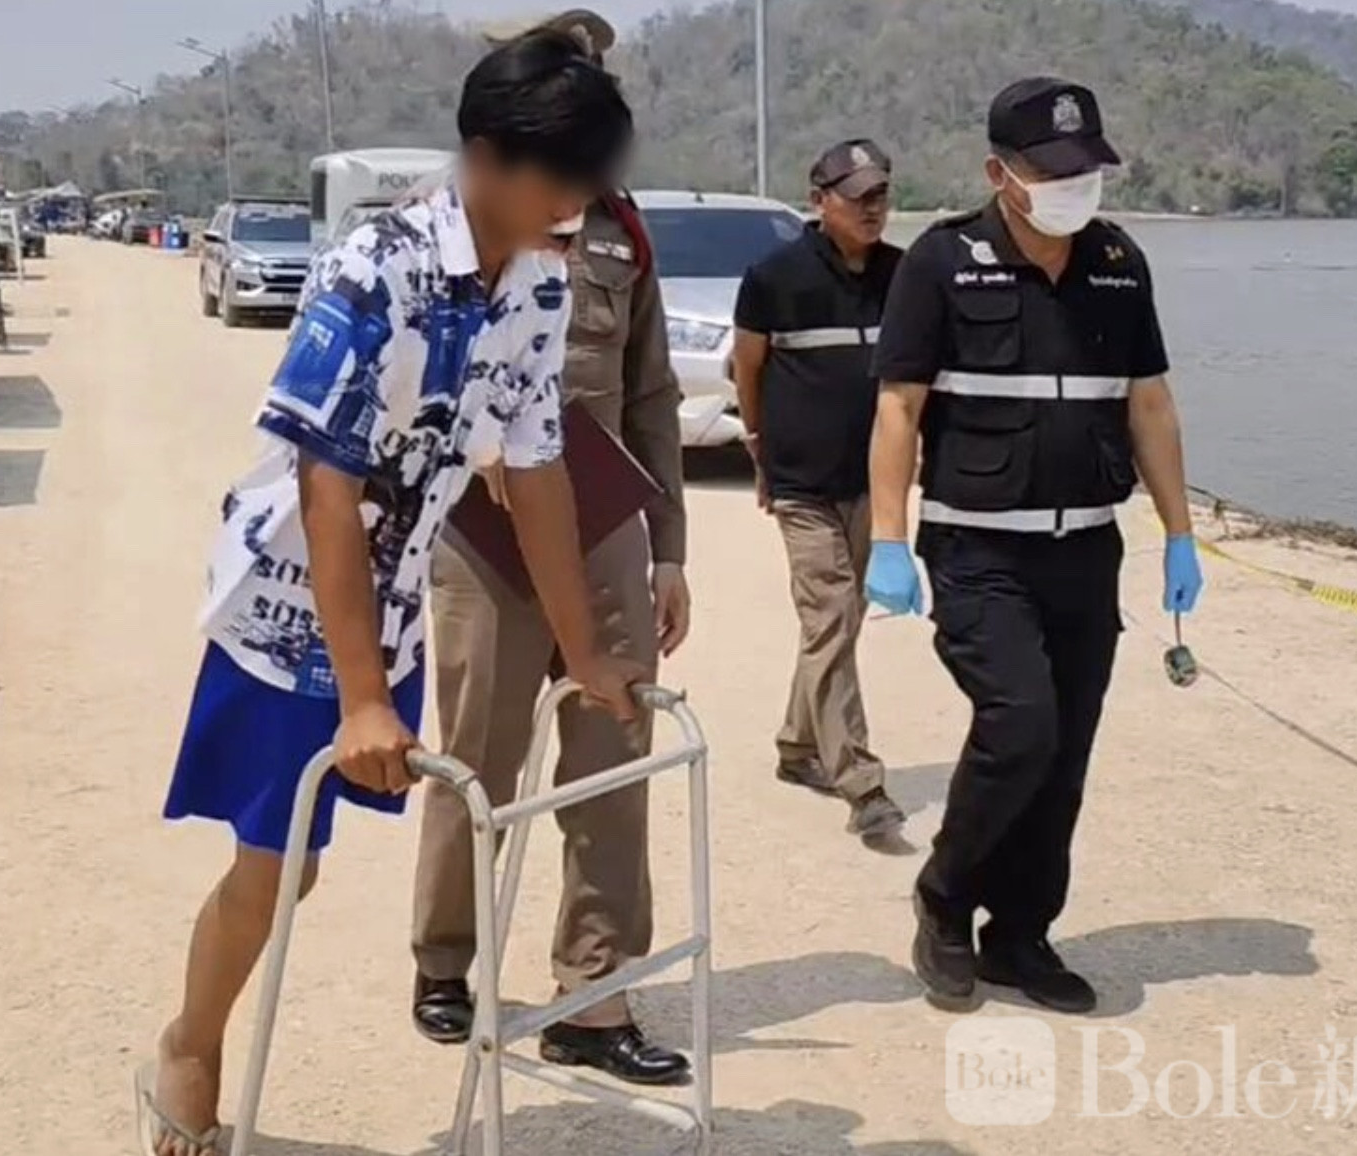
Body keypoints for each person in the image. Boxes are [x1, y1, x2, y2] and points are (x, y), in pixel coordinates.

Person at [141, 34, 641, 1155]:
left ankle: (196, 1029)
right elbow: (326, 486)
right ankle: (190, 1042)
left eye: (590, 180)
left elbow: (537, 472)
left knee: (299, 862)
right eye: (561, 177)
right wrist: (362, 697)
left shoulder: (541, 283)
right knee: (281, 866)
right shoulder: (377, 266)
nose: (576, 202)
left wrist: (583, 652)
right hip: (291, 611)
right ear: (488, 157)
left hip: (397, 602)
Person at [867, 78, 1204, 1014]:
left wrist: (1181, 533)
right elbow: (898, 407)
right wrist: (887, 540)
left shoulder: (1119, 262)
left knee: (1066, 752)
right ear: (999, 174)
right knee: (1021, 727)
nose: (1072, 187)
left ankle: (1020, 934)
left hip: (1085, 552)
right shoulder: (942, 262)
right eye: (1051, 172)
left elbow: (1149, 403)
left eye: (1084, 168)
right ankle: (944, 900)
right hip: (978, 551)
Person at [409, 7, 694, 1088]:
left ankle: (595, 992)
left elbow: (651, 395)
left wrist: (668, 549)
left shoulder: (622, 232)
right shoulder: (438, 219)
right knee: (474, 761)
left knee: (614, 760)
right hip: (480, 533)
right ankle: (446, 960)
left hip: (604, 525)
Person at [731, 139, 910, 852]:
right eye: (859, 196)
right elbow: (748, 368)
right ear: (819, 201)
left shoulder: (903, 276)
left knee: (838, 623)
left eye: (881, 195)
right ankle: (861, 783)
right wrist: (758, 449)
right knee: (831, 615)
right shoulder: (774, 278)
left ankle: (798, 743)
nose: (873, 208)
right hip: (803, 484)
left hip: (871, 483)